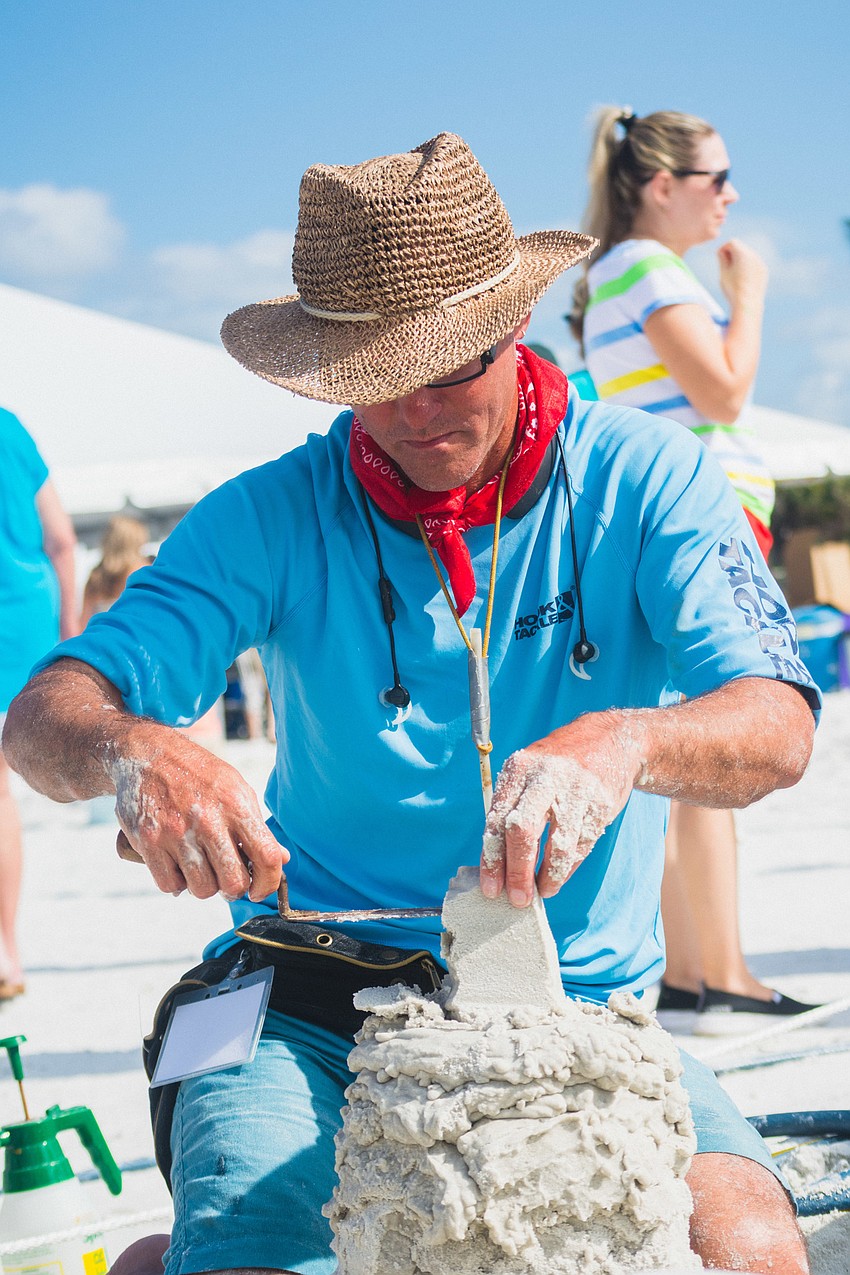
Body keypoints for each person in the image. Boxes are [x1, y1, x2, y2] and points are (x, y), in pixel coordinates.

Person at [3, 133, 817, 1274]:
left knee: (746, 1243)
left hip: (578, 1004)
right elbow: (43, 715)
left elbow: (777, 725)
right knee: (248, 1249)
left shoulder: (650, 475)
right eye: (373, 380)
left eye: (450, 370)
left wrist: (635, 736)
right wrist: (134, 745)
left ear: (515, 327)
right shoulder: (271, 511)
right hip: (293, 987)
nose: (415, 414)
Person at [569, 106, 817, 1033]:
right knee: (716, 734)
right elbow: (722, 389)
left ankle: (691, 976)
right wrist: (748, 293)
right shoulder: (643, 265)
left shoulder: (619, 272)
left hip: (674, 514)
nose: (733, 197)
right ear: (663, 186)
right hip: (700, 514)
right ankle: (724, 980)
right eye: (719, 179)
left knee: (681, 738)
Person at [0, 407, 79, 999]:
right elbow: (60, 539)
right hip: (24, 619)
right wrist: (71, 627)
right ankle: (7, 953)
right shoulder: (8, 427)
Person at [81, 513, 152, 624]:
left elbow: (83, 624)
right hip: (137, 638)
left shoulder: (96, 577)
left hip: (104, 637)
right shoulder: (143, 572)